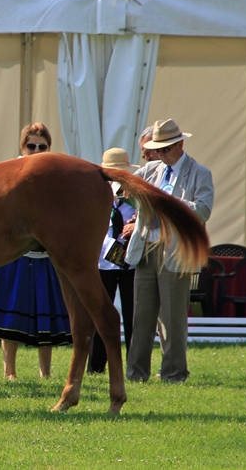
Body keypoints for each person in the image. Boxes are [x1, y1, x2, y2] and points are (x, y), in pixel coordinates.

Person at [0, 123, 72, 380]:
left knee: (46, 314)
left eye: (42, 146)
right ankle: (9, 373)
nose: (36, 150)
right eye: (32, 146)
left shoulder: (57, 174)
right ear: (22, 146)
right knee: (8, 313)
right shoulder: (8, 171)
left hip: (45, 254)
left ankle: (45, 373)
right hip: (11, 253)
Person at [125, 119, 214, 383]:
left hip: (175, 249)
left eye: (165, 150)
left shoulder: (199, 173)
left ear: (180, 145)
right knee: (141, 316)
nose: (160, 155)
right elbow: (125, 189)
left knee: (173, 319)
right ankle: (135, 374)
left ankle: (174, 375)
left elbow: (203, 210)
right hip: (146, 246)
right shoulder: (151, 169)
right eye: (157, 150)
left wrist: (171, 201)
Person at [87, 148, 138, 374]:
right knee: (100, 314)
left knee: (132, 316)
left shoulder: (135, 198)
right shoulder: (95, 196)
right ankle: (96, 366)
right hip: (103, 262)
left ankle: (134, 366)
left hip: (130, 262)